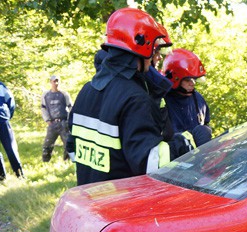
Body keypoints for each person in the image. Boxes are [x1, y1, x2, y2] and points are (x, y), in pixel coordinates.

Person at [68, 7, 198, 185]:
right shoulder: (135, 98)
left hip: (90, 200)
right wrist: (189, 140)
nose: (157, 58)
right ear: (141, 46)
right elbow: (151, 163)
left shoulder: (87, 90)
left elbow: (73, 150)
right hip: (121, 205)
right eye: (155, 49)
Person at [162, 49, 211, 137]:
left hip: (200, 149)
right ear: (175, 78)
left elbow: (206, 124)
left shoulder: (198, 99)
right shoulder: (163, 101)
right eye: (188, 80)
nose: (192, 83)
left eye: (194, 79)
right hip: (176, 148)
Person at [41, 75, 73, 162]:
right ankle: (45, 161)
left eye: (57, 81)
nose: (56, 83)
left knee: (68, 143)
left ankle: (67, 161)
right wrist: (47, 120)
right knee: (47, 144)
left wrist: (69, 121)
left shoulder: (64, 94)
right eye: (54, 81)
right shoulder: (46, 95)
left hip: (63, 123)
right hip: (52, 123)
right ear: (50, 82)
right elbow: (43, 108)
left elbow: (71, 108)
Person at [0, 80, 24, 180]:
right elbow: (11, 102)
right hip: (3, 118)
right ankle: (18, 175)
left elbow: (10, 101)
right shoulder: (1, 86)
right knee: (11, 148)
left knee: (11, 149)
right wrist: (8, 115)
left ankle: (4, 176)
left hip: (3, 119)